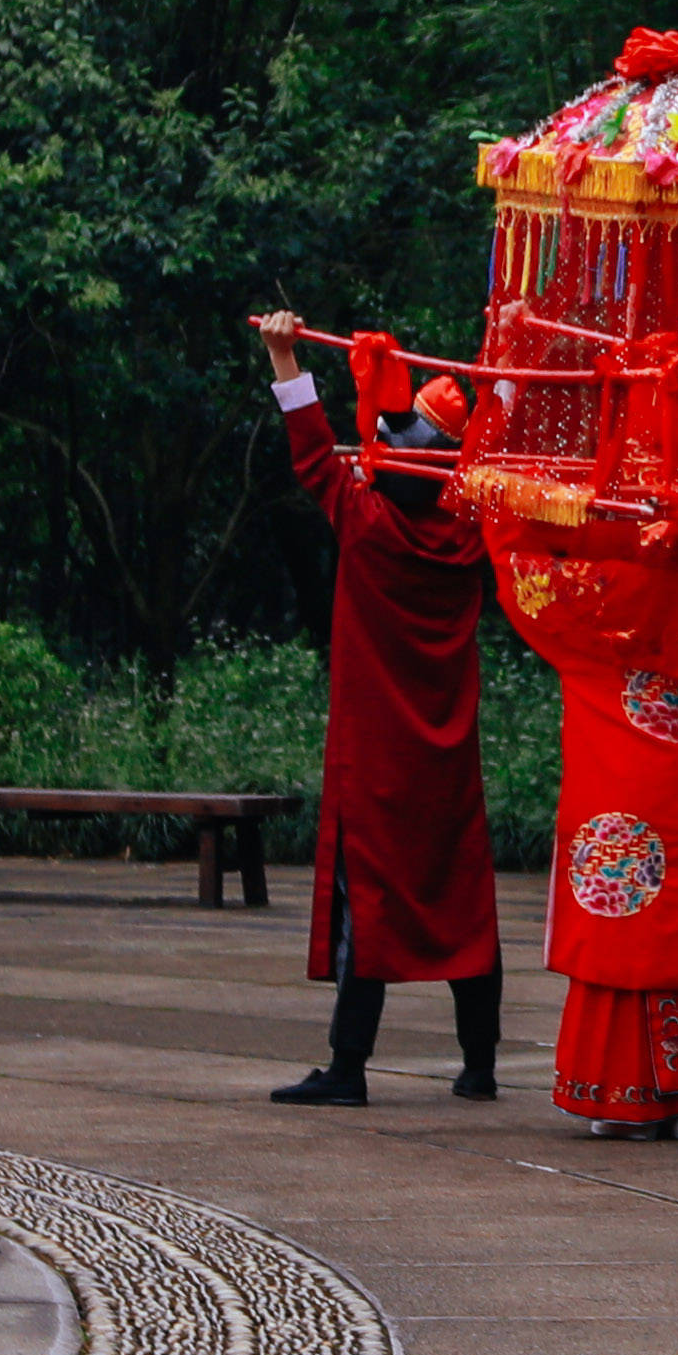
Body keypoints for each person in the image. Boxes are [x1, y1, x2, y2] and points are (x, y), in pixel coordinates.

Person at [255, 311, 506, 1108]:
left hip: (377, 750)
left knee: (373, 897)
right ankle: (480, 1064)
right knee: (463, 899)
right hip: (448, 752)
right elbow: (499, 452)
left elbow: (310, 450)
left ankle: (349, 1066)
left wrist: (285, 356)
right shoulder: (473, 536)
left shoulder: (365, 525)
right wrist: (502, 370)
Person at [492, 494, 678, 1135]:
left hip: (616, 752)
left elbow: (514, 563)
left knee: (625, 900)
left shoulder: (584, 591)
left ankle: (623, 1089)